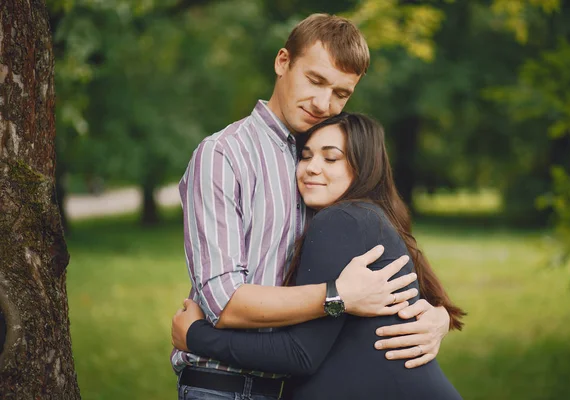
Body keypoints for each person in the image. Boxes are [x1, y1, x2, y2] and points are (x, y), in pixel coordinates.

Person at [171, 14, 453, 400]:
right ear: (282, 62)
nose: (324, 103)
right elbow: (224, 303)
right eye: (315, 81)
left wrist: (434, 317)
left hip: (293, 383)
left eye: (341, 93)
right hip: (226, 387)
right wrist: (339, 297)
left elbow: (380, 255)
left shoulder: (328, 165)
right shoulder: (224, 154)